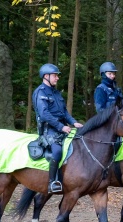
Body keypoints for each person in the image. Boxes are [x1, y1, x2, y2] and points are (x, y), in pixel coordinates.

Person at [32, 63, 83, 194]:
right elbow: (44, 114)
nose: (57, 78)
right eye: (55, 75)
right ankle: (52, 182)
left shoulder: (56, 93)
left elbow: (64, 112)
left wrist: (74, 122)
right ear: (46, 76)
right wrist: (61, 127)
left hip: (62, 127)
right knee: (57, 151)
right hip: (49, 130)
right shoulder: (40, 93)